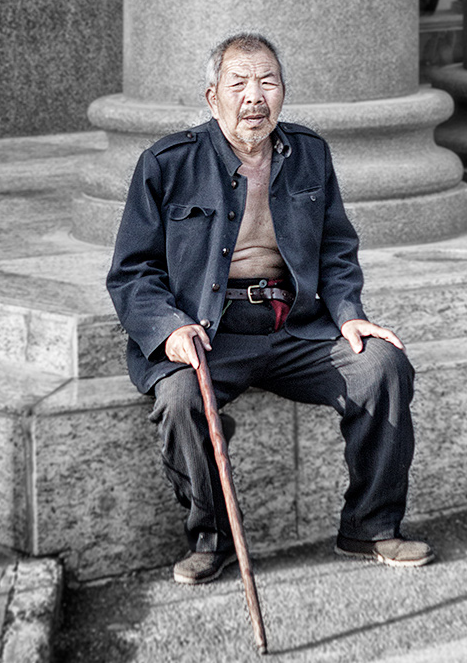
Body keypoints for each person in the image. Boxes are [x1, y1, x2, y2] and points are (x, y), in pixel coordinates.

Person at [107, 32, 434, 584]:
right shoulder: (167, 162)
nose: (254, 96)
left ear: (283, 93)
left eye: (268, 82)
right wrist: (169, 328)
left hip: (294, 327)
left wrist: (349, 310)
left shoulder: (310, 154)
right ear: (213, 98)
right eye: (239, 83)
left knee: (383, 367)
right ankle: (213, 537)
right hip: (209, 331)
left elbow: (335, 249)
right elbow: (131, 271)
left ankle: (371, 527)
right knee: (181, 398)